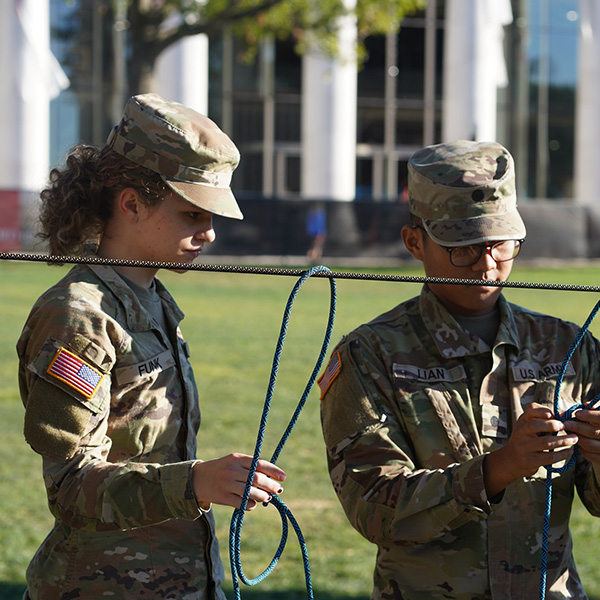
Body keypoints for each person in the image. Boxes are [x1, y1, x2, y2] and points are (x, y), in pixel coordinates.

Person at [17, 93, 286, 600]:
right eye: (192, 216)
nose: (208, 234)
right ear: (132, 204)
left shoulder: (152, 298)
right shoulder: (79, 316)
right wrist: (197, 483)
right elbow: (71, 490)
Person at [319, 140, 600, 599]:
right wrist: (499, 468)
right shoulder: (370, 355)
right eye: (463, 247)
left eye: (500, 245)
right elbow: (373, 508)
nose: (487, 265)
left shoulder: (569, 346)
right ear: (415, 242)